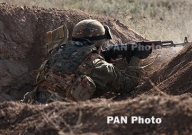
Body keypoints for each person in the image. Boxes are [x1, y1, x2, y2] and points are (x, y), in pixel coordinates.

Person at [21, 19, 151, 103]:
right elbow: (128, 84)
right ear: (99, 43)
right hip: (63, 114)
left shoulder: (58, 51)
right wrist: (135, 58)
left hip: (33, 104)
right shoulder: (97, 64)